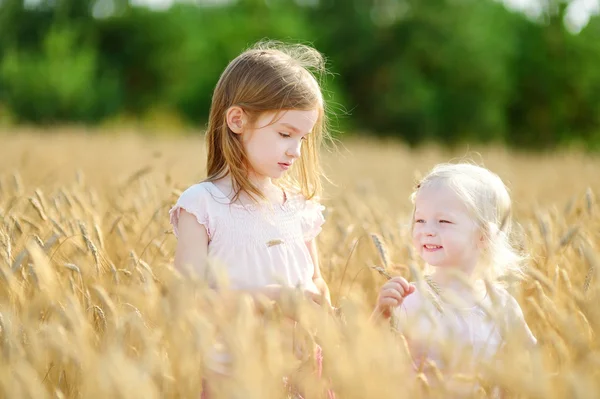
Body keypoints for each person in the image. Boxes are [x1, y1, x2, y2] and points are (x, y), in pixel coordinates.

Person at [169, 41, 334, 397]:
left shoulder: (298, 205)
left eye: (303, 138)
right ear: (237, 120)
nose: (296, 150)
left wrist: (324, 310)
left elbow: (316, 281)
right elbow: (189, 299)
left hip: (302, 377)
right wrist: (273, 299)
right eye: (285, 134)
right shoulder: (203, 205)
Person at [373, 163, 537, 396]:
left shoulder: (502, 305)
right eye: (420, 220)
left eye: (444, 221)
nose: (427, 230)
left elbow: (532, 359)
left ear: (483, 236)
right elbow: (369, 355)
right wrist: (381, 313)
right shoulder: (410, 299)